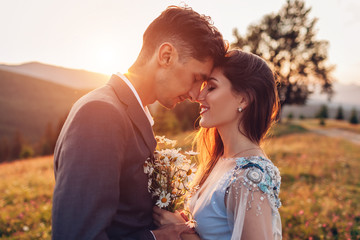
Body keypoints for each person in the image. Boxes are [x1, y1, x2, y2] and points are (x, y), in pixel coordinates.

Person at [52, 5, 227, 240]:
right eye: (196, 78)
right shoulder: (101, 114)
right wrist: (158, 238)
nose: (196, 95)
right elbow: (76, 235)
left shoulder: (129, 111)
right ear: (166, 56)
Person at [152, 49, 282, 239]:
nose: (199, 96)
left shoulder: (250, 178)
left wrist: (184, 235)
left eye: (211, 88)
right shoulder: (221, 161)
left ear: (243, 99)